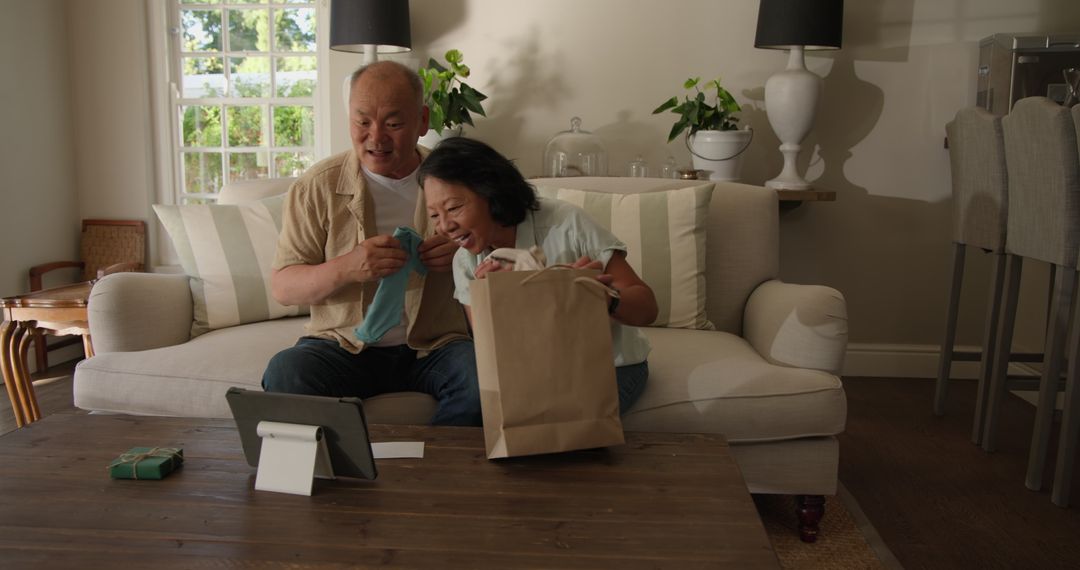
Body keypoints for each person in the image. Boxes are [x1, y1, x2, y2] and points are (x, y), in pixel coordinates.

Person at [261, 61, 482, 426]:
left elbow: (500, 253)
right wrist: (346, 267)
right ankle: (339, 473)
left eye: (393, 124)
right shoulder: (316, 186)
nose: (376, 138)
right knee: (287, 373)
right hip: (341, 345)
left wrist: (463, 252)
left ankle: (441, 474)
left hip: (435, 345)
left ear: (422, 121)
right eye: (362, 122)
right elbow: (284, 287)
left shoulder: (458, 181)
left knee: (481, 377)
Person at [419, 137, 658, 414]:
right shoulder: (466, 262)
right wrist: (494, 304)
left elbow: (647, 307)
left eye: (453, 208)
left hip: (609, 366)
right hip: (537, 373)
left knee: (563, 423)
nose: (445, 226)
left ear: (489, 191)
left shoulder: (567, 223)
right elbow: (492, 355)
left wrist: (603, 299)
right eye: (434, 215)